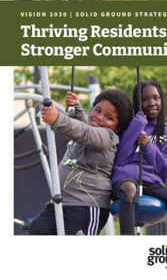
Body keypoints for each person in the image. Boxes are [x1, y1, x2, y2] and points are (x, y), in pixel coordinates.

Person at [29, 89, 133, 235]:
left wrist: (58, 119)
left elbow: (85, 133)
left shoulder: (108, 137)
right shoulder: (93, 129)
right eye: (97, 110)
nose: (100, 117)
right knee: (37, 229)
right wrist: (77, 108)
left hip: (86, 207)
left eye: (109, 117)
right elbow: (85, 126)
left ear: (118, 128)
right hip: (62, 203)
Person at [112, 80, 167, 235]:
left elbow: (166, 174)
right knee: (130, 189)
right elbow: (119, 160)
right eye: (145, 99)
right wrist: (137, 124)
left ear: (161, 101)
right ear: (138, 102)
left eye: (156, 98)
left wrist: (148, 146)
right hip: (125, 180)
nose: (151, 103)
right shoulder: (127, 126)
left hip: (153, 184)